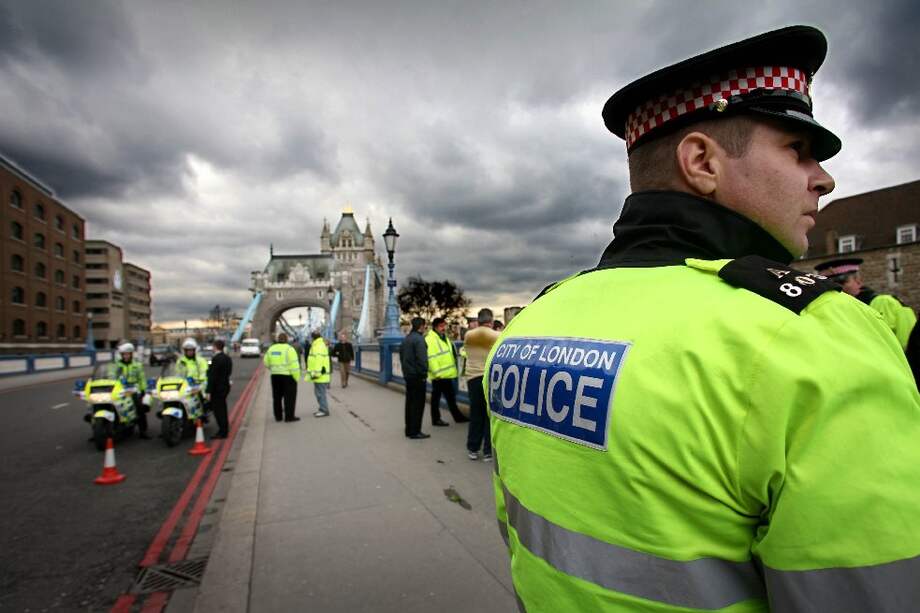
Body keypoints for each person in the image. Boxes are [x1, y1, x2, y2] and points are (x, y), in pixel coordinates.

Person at [486, 26, 920, 611]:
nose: (824, 178)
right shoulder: (814, 339)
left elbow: (517, 527)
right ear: (701, 162)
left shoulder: (535, 322)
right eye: (798, 149)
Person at [814, 257, 920, 385]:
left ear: (858, 281)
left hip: (891, 380)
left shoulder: (884, 303)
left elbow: (908, 345)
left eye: (842, 282)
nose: (836, 287)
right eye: (828, 283)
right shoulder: (826, 311)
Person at [462, 309, 499, 461]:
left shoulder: (468, 335)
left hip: (472, 378)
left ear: (478, 320)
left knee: (476, 414)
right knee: (489, 415)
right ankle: (488, 451)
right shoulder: (496, 335)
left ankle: (473, 448)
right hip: (489, 378)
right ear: (491, 321)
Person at [425, 317, 469, 426]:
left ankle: (455, 417)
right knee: (438, 398)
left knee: (448, 397)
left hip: (447, 374)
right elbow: (431, 357)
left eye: (444, 326)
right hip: (439, 375)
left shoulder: (444, 337)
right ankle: (438, 419)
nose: (443, 328)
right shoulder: (430, 339)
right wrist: (437, 373)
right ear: (435, 327)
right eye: (441, 326)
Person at [399, 317, 429, 439]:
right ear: (421, 326)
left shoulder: (406, 339)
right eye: (425, 326)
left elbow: (402, 357)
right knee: (418, 405)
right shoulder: (419, 339)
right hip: (417, 376)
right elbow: (422, 360)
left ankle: (409, 430)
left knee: (410, 403)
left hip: (408, 375)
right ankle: (415, 431)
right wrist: (424, 373)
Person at [115, 341, 150, 439]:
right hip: (120, 389)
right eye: (124, 354)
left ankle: (143, 431)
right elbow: (111, 377)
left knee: (139, 408)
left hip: (133, 388)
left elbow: (141, 378)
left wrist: (143, 390)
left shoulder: (137, 365)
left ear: (131, 354)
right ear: (121, 355)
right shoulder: (117, 365)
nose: (126, 356)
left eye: (128, 354)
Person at [264, 332, 301, 422]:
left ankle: (278, 417)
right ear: (286, 340)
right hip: (288, 377)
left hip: (275, 376)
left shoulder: (271, 349)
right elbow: (294, 365)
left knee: (276, 397)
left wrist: (273, 368)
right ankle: (289, 417)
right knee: (289, 398)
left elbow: (266, 362)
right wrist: (296, 377)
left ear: (278, 339)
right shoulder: (289, 349)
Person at [206, 339, 233, 438]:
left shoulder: (215, 359)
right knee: (223, 409)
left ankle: (222, 432)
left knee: (218, 411)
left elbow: (211, 375)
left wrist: (208, 391)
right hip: (225, 386)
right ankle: (225, 429)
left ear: (215, 347)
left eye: (213, 346)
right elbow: (229, 371)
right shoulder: (227, 358)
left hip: (217, 389)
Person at [177, 337, 209, 409]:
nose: (189, 352)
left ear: (195, 350)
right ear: (184, 351)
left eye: (191, 350)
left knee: (203, 399)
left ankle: (203, 411)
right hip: (184, 385)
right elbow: (177, 373)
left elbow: (204, 373)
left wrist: (200, 381)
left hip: (197, 384)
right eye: (187, 350)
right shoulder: (180, 361)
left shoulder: (201, 361)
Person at [306, 331, 331, 417]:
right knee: (319, 392)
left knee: (320, 393)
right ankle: (322, 409)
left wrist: (316, 373)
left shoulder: (318, 346)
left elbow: (318, 360)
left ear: (313, 338)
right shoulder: (319, 345)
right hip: (320, 374)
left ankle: (324, 410)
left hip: (319, 375)